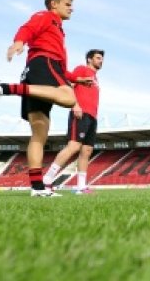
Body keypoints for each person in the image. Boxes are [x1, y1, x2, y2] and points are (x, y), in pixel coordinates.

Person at [0, 0, 91, 197]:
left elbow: (63, 71)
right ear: (53, 3)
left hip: (37, 72)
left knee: (39, 133)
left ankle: (37, 188)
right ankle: (3, 88)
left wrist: (76, 79)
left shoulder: (58, 30)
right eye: (68, 4)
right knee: (69, 98)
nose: (71, 8)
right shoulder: (46, 16)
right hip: (44, 64)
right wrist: (19, 42)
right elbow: (28, 28)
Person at [42, 49, 105, 194]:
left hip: (92, 117)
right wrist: (74, 105)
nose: (101, 61)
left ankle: (81, 187)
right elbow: (66, 81)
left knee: (87, 151)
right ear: (89, 59)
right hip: (80, 113)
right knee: (74, 146)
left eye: (101, 59)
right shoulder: (81, 69)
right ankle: (47, 179)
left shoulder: (95, 77)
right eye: (98, 58)